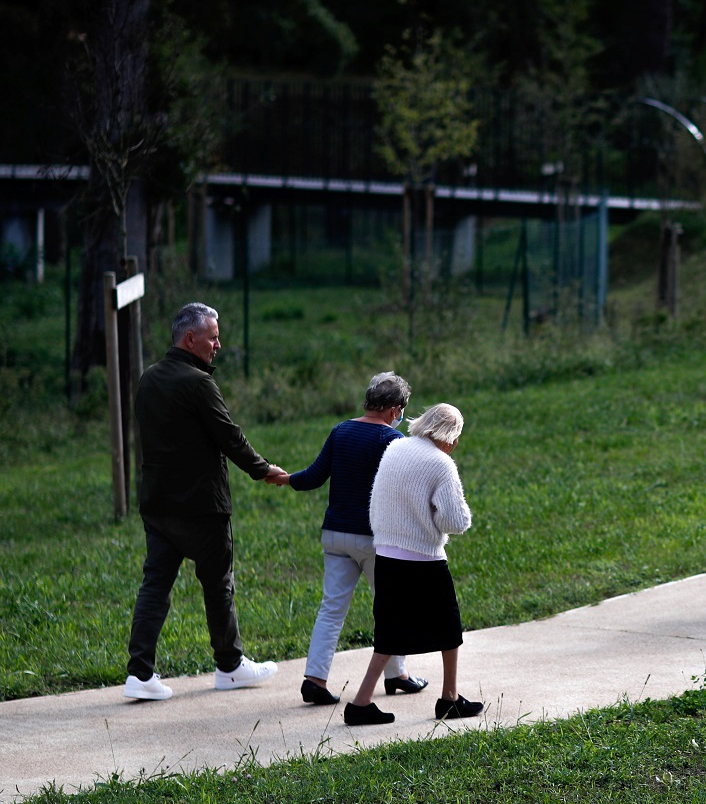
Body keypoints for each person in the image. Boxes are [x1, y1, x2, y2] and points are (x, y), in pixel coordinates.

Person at [123, 303, 285, 701]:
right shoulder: (198, 383)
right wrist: (263, 469)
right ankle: (229, 666)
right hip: (201, 506)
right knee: (218, 585)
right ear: (190, 338)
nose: (218, 344)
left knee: (154, 587)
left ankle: (139, 673)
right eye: (212, 337)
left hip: (157, 504)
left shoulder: (148, 379)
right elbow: (228, 435)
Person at [270, 372, 428, 706]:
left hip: (336, 535)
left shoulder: (341, 431)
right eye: (402, 411)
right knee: (389, 606)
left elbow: (315, 475)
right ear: (395, 409)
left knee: (331, 609)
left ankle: (314, 679)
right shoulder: (391, 441)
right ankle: (397, 675)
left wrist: (287, 480)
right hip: (375, 539)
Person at [344, 403, 477, 726]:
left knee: (389, 632)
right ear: (450, 436)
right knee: (449, 628)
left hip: (387, 553)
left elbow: (378, 498)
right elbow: (456, 521)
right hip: (423, 558)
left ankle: (360, 703)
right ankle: (449, 698)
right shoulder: (441, 463)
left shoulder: (396, 447)